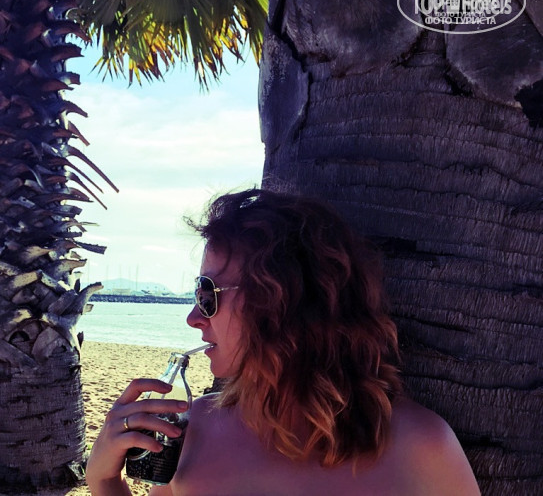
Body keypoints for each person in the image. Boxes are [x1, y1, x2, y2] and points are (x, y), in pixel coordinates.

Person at [86, 188, 480, 495]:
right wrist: (103, 479)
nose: (193, 318)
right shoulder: (191, 433)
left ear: (282, 303)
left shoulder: (421, 446)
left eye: (207, 295)